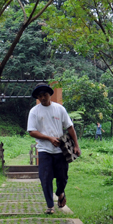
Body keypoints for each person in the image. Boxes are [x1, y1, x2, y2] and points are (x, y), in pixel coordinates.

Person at [27, 83, 80, 214]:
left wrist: (76, 145)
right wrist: (49, 138)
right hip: (44, 149)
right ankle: (50, 206)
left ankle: (60, 193)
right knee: (45, 178)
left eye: (45, 94)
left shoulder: (59, 109)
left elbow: (70, 127)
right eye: (40, 96)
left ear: (50, 94)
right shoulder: (34, 111)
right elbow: (32, 131)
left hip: (60, 151)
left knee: (62, 177)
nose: (43, 98)